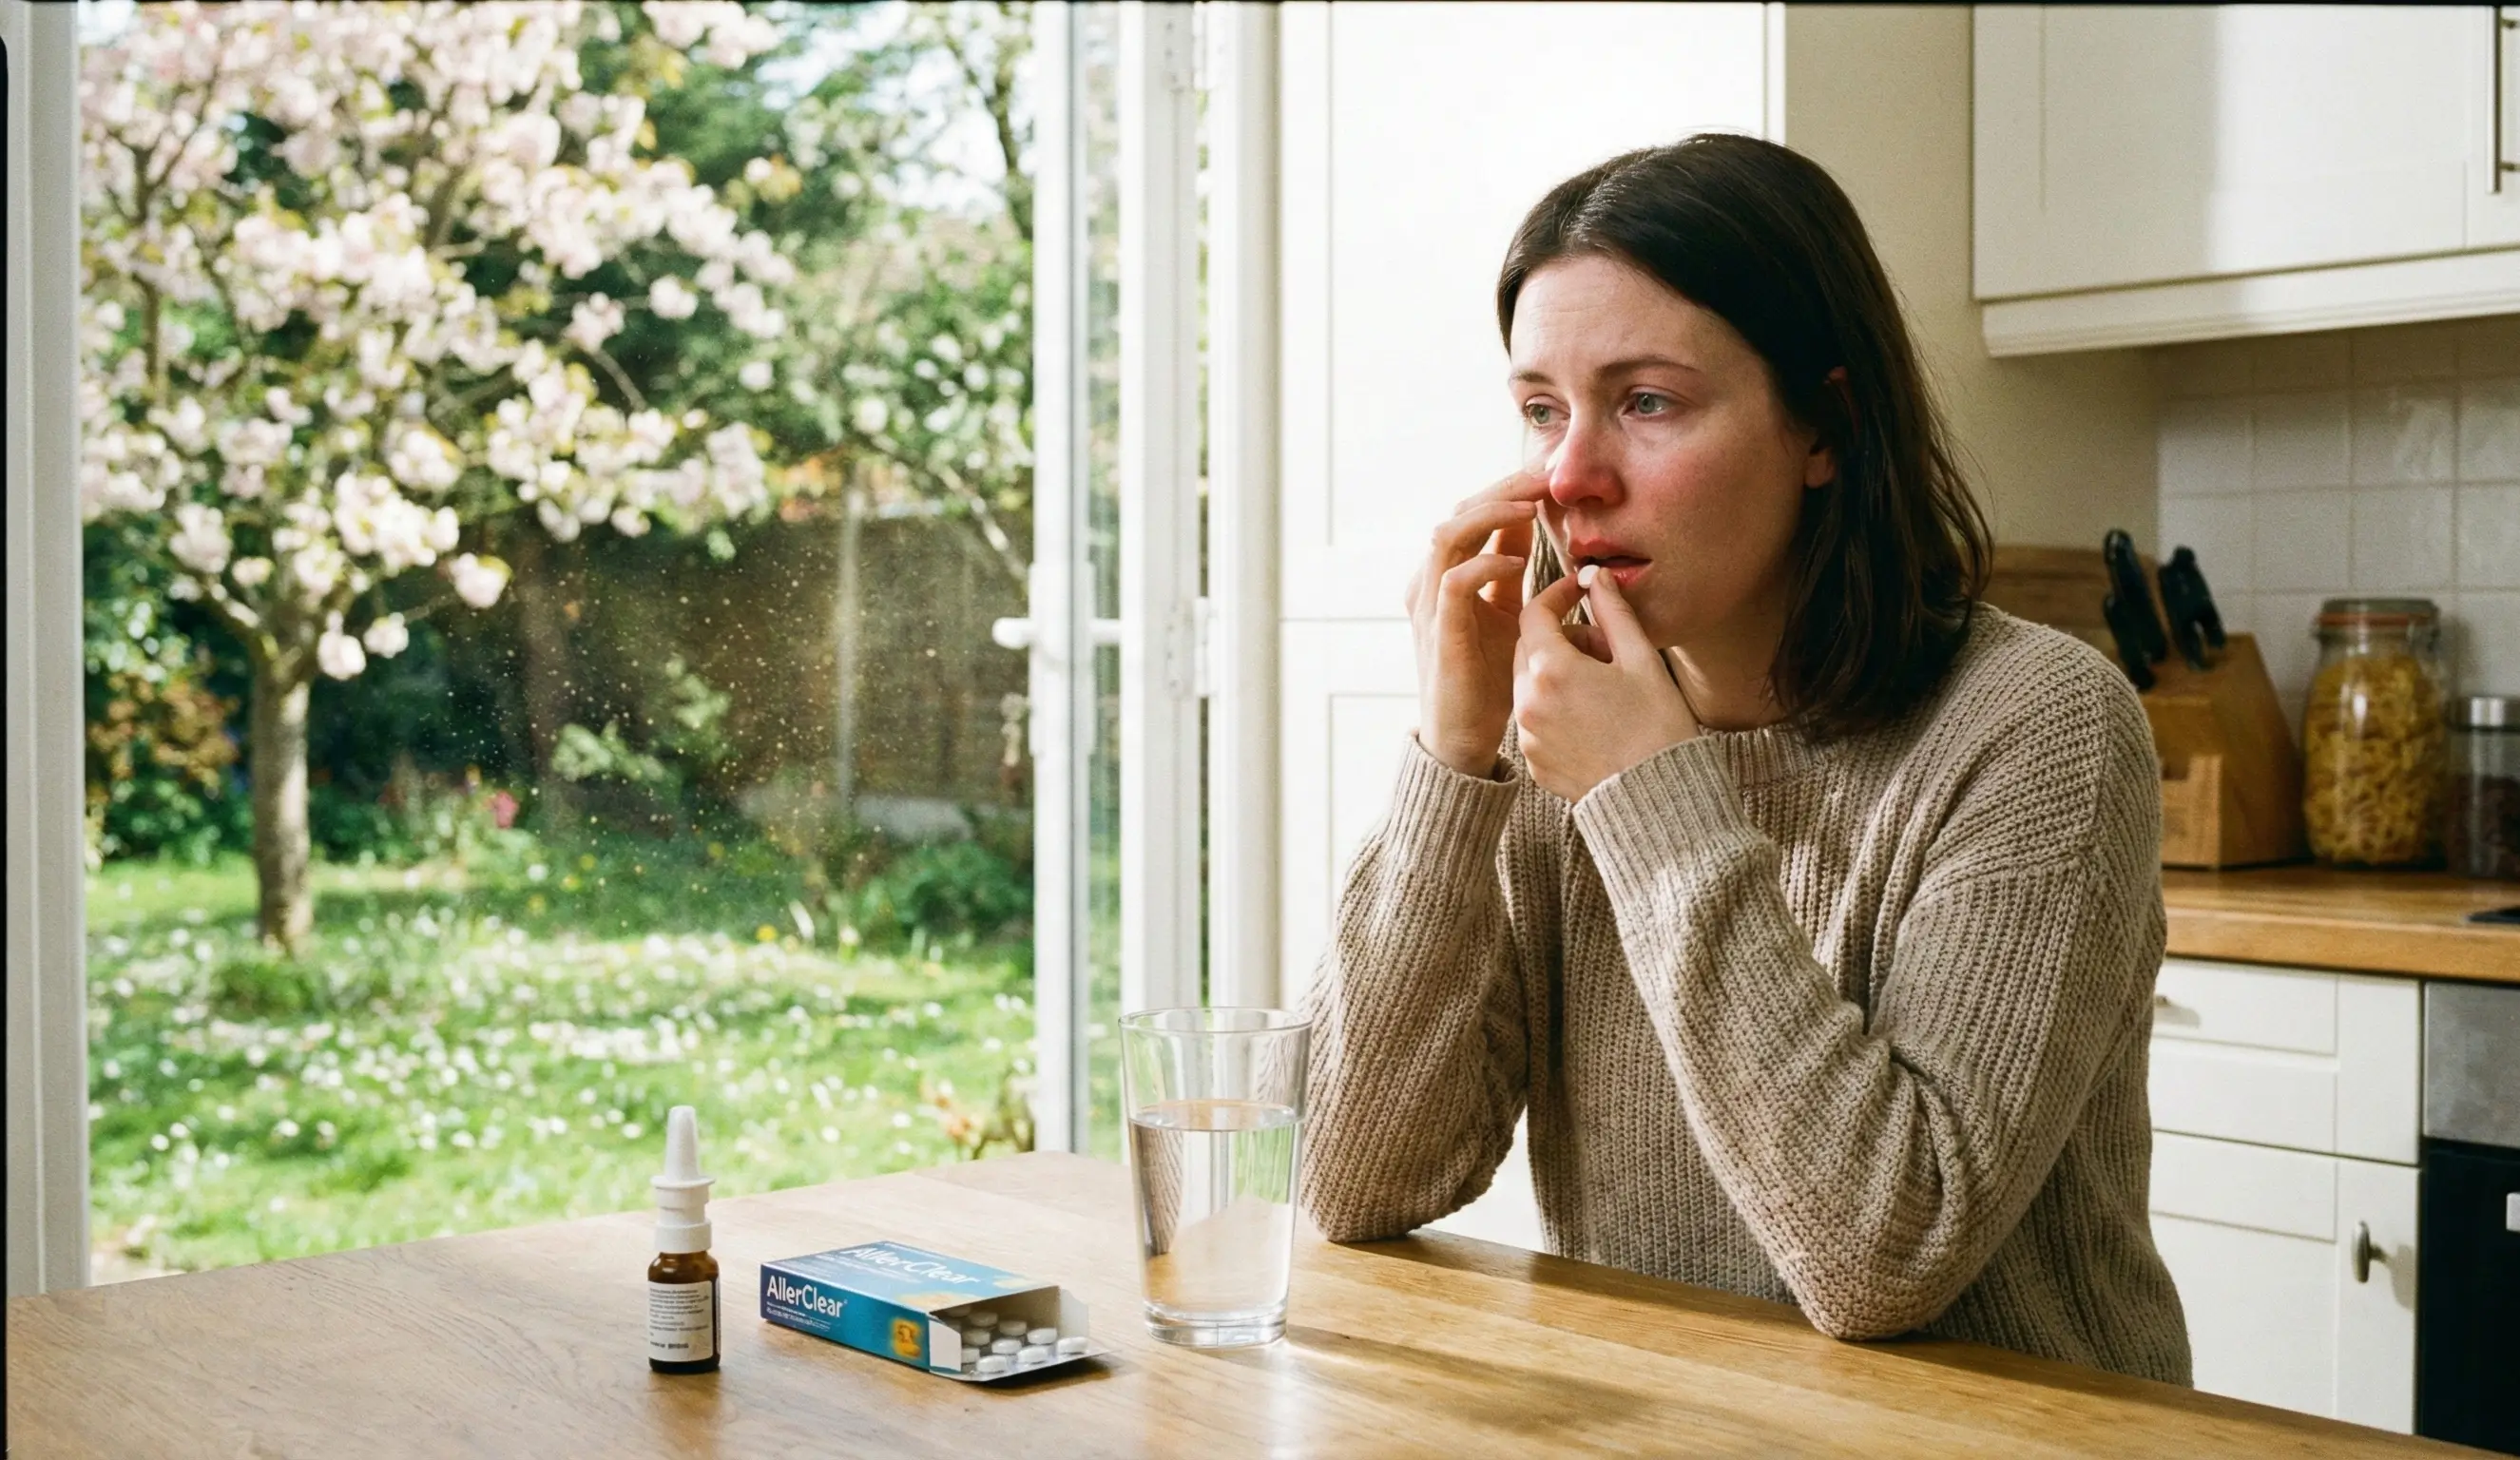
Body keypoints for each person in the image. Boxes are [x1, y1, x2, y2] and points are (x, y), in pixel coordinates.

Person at [1296, 133, 2192, 1386]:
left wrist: (1646, 800)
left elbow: (1883, 1257)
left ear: (1823, 424)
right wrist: (1453, 764)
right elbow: (1349, 1177)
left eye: (1647, 402)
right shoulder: (1550, 733)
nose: (1569, 476)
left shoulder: (2034, 722)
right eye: (1542, 410)